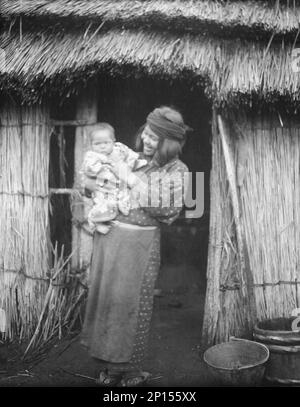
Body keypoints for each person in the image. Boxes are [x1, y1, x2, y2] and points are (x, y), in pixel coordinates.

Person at [81, 106, 190, 386]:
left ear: (170, 142)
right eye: (147, 134)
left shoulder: (178, 170)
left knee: (134, 306)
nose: (147, 141)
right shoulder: (135, 159)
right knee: (110, 303)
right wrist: (94, 183)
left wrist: (128, 178)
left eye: (155, 138)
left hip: (140, 246)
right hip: (110, 239)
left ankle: (128, 370)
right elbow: (92, 184)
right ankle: (109, 366)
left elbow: (167, 209)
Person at [80, 123, 147, 234]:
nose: (102, 147)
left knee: (124, 195)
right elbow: (88, 171)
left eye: (106, 143)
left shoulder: (119, 149)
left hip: (118, 185)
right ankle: (97, 222)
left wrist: (135, 162)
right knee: (102, 204)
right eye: (97, 144)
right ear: (91, 145)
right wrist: (101, 166)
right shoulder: (92, 156)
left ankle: (123, 205)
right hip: (103, 187)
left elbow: (129, 155)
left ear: (113, 140)